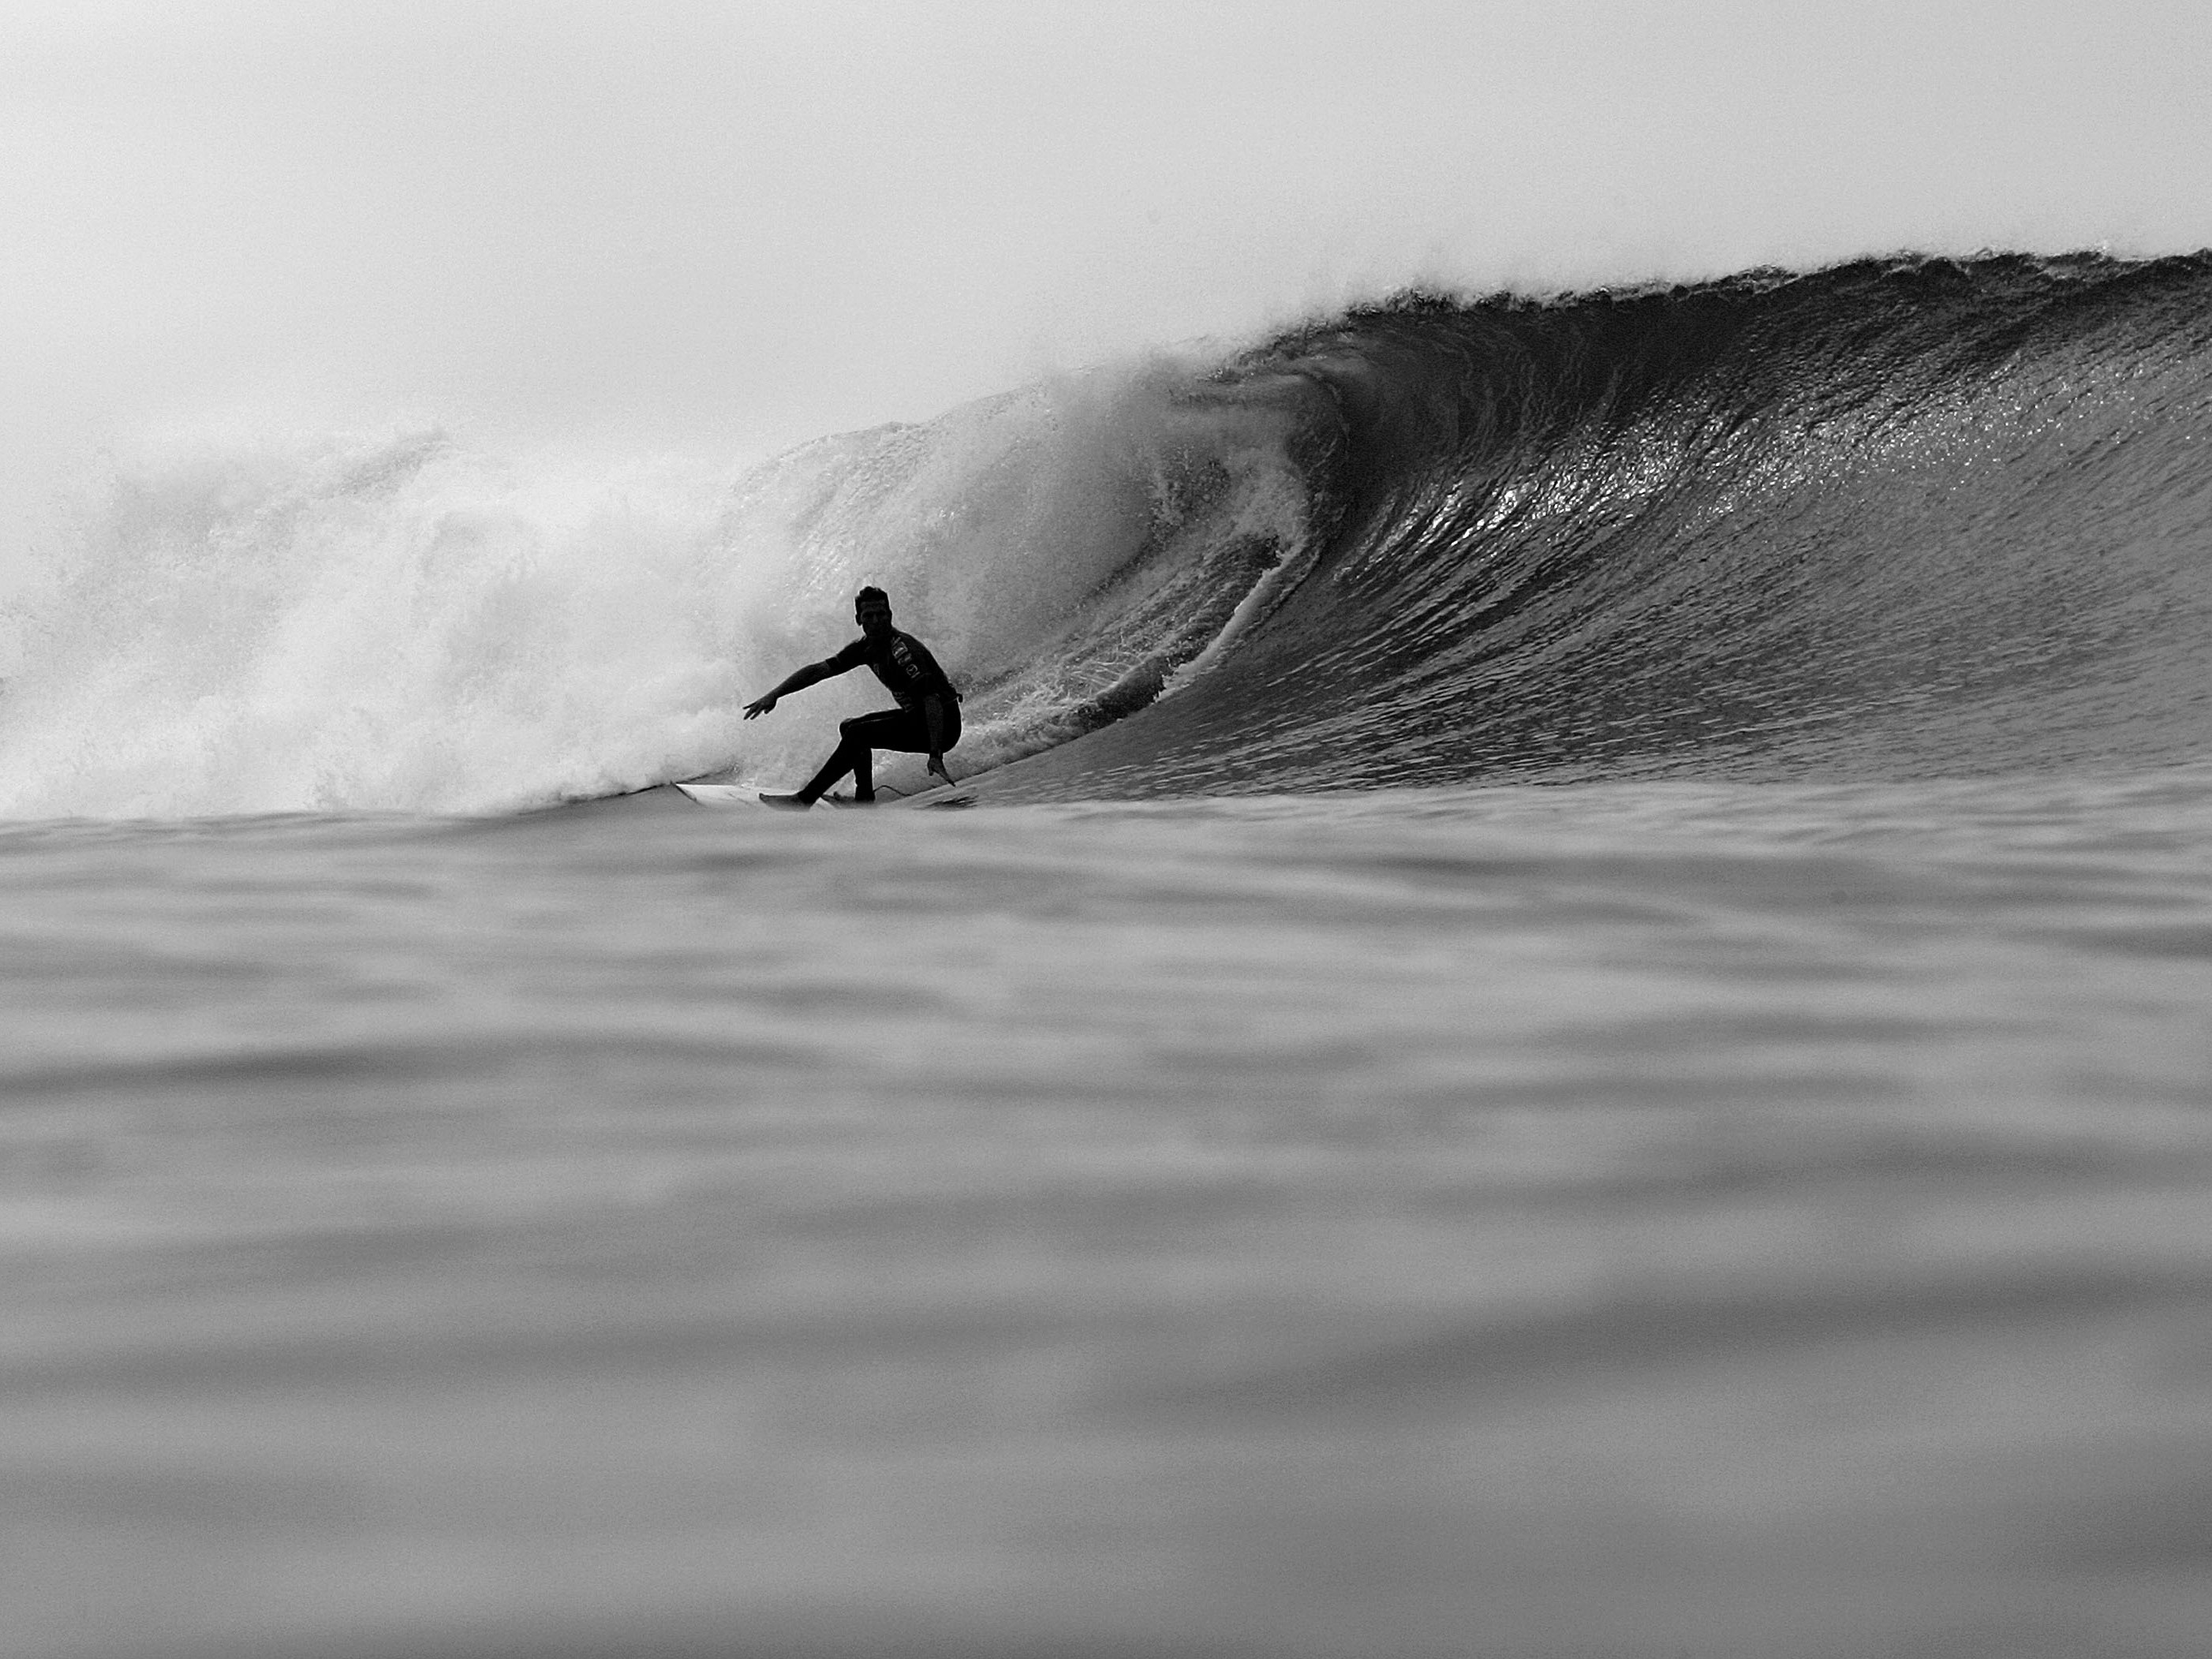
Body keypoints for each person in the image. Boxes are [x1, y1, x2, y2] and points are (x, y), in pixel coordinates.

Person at [743, 586, 961, 807]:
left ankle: (803, 800)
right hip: (918, 719)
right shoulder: (866, 648)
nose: (876, 621)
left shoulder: (904, 653)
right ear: (859, 619)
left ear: (890, 616)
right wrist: (776, 693)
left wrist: (935, 754)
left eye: (881, 614)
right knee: (849, 727)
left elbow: (932, 701)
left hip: (942, 726)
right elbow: (819, 670)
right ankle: (864, 800)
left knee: (859, 734)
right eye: (869, 616)